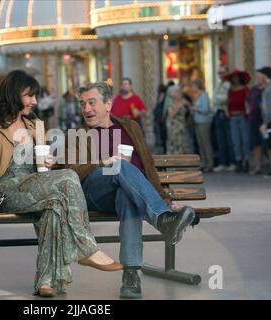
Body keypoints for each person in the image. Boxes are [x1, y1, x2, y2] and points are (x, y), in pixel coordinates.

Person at [0, 70, 122, 298]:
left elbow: (41, 165)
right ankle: (87, 248)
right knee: (68, 176)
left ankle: (46, 281)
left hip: (33, 185)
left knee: (55, 204)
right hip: (4, 189)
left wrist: (48, 162)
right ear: (15, 94)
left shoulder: (35, 125)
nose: (35, 101)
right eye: (30, 95)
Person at [59, 81, 196, 299]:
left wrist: (165, 199)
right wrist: (103, 161)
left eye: (92, 103)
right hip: (94, 194)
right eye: (82, 104)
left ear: (108, 104)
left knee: (127, 197)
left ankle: (131, 276)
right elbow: (69, 171)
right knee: (120, 165)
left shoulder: (130, 127)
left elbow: (148, 166)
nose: (86, 109)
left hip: (128, 192)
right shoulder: (77, 135)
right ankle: (162, 219)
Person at [224, 69, 251, 173]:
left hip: (243, 116)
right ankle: (238, 161)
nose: (235, 79)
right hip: (233, 117)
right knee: (235, 140)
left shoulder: (245, 89)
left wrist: (246, 113)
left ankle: (247, 160)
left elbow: (248, 103)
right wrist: (229, 113)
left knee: (245, 140)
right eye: (233, 77)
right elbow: (228, 104)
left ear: (240, 78)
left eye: (237, 76)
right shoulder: (230, 91)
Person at [213, 67, 236, 172]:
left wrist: (218, 98)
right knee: (220, 139)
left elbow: (226, 98)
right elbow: (214, 97)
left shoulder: (229, 84)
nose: (220, 75)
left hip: (226, 112)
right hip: (218, 112)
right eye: (219, 73)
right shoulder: (218, 84)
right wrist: (218, 99)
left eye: (222, 73)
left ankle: (232, 162)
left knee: (229, 139)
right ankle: (223, 162)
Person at [190, 79, 214, 172]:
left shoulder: (204, 95)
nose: (192, 88)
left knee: (206, 142)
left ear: (197, 86)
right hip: (197, 121)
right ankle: (203, 162)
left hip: (204, 122)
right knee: (200, 143)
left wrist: (195, 109)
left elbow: (205, 109)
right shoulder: (196, 96)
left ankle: (209, 163)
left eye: (193, 86)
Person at [246, 72, 264, 174]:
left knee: (266, 144)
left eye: (260, 76)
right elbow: (247, 100)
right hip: (253, 119)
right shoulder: (253, 89)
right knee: (256, 144)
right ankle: (258, 166)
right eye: (256, 76)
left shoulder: (266, 89)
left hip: (264, 120)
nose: (258, 78)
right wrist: (248, 109)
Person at [165, 86, 190, 155]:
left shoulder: (182, 100)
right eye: (177, 92)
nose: (179, 93)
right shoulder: (170, 103)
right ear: (172, 94)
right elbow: (171, 115)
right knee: (175, 144)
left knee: (183, 143)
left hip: (182, 126)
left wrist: (188, 105)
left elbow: (190, 109)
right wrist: (179, 106)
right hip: (174, 127)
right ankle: (175, 161)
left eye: (179, 92)